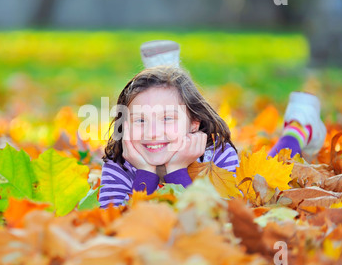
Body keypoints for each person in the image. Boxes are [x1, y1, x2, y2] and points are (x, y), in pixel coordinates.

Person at [98, 40, 326, 209]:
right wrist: (145, 172)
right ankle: (166, 82)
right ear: (125, 125)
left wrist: (177, 170)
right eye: (140, 120)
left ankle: (299, 126)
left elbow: (214, 221)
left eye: (167, 117)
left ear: (195, 123)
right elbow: (119, 226)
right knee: (167, 97)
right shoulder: (120, 164)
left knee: (271, 171)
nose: (152, 132)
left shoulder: (217, 155)